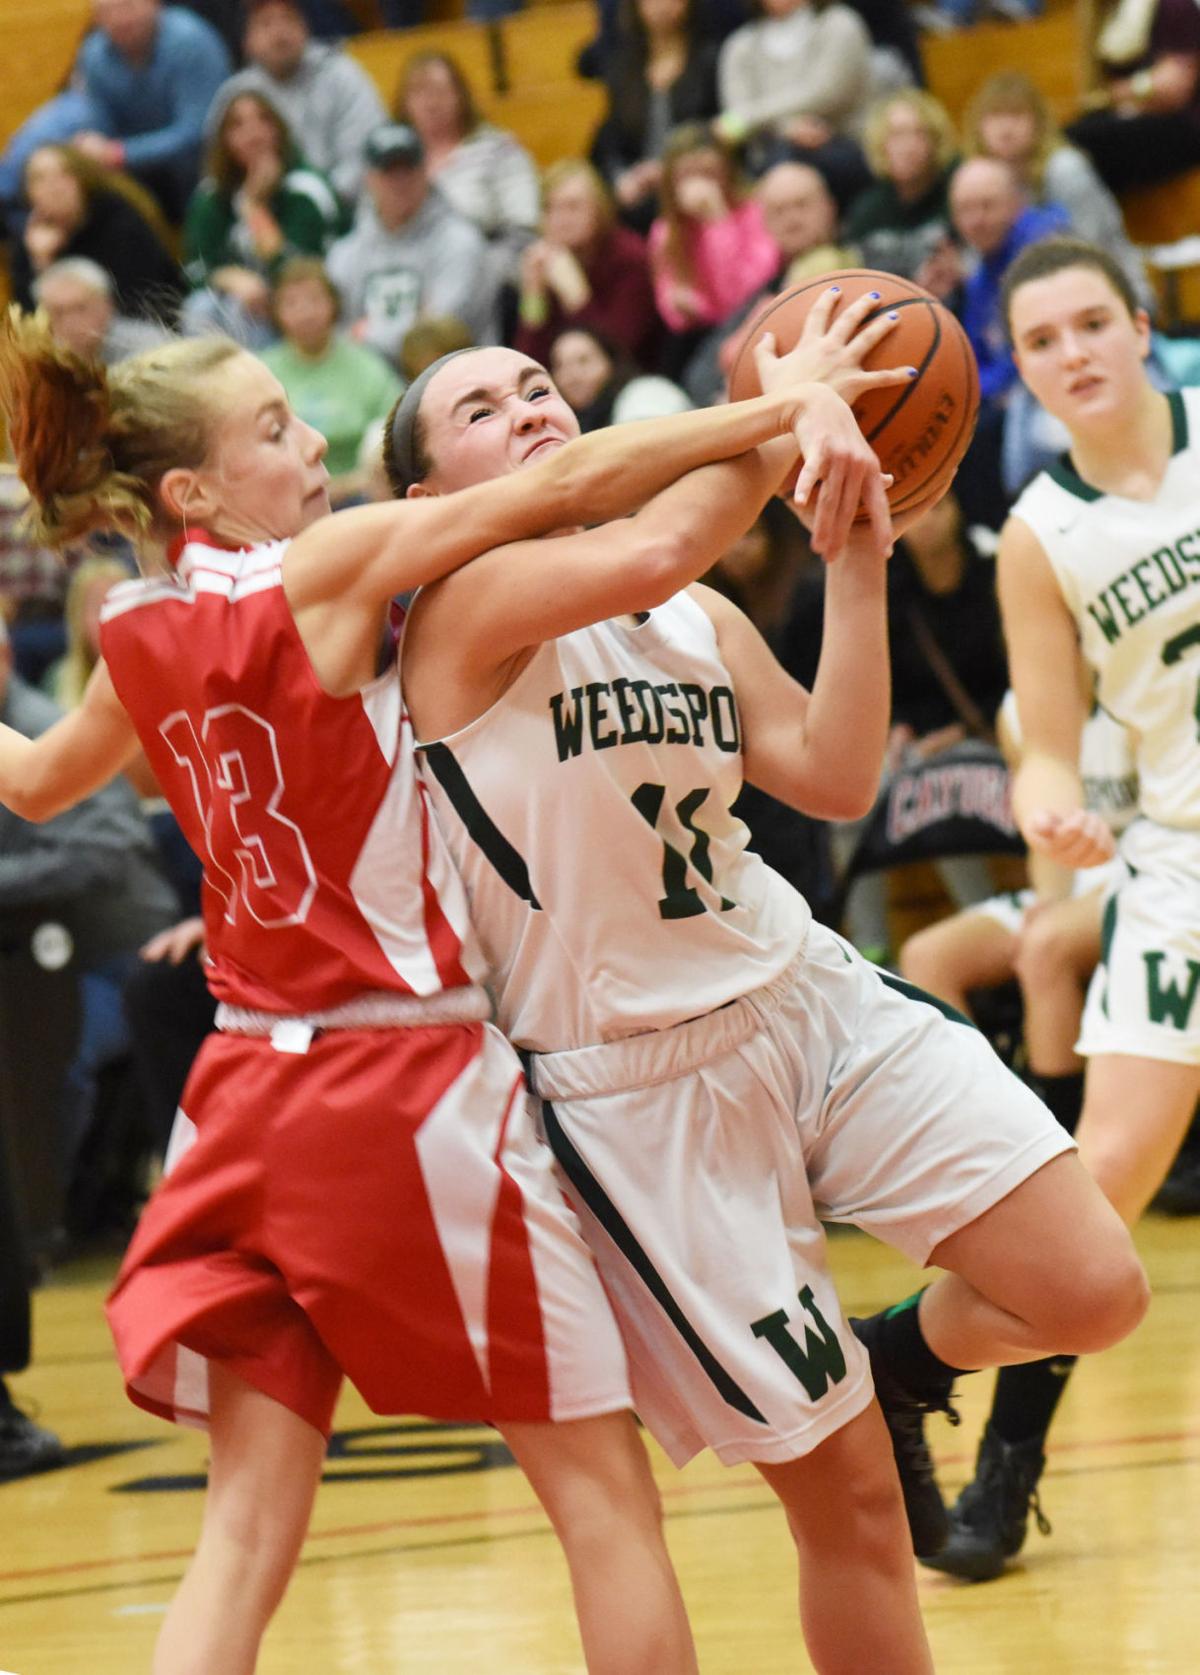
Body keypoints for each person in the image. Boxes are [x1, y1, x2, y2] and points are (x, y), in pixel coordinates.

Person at [0, 305, 879, 1675]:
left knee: (241, 1532)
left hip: (236, 1096)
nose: (313, 446)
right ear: (193, 492)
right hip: (395, 1090)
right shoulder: (323, 565)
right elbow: (575, 494)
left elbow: (35, 779)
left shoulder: (130, 626)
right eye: (277, 430)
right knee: (603, 1501)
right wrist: (784, 407)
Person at [391, 310, 1148, 1662]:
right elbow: (655, 532)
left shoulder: (690, 610)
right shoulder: (457, 613)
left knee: (1093, 1285)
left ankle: (900, 1360)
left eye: (536, 386)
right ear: (424, 496)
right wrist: (793, 406)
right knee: (853, 1504)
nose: (531, 408)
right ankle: (870, 1408)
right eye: (483, 411)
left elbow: (834, 772)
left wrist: (854, 554)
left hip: (805, 995)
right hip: (642, 1094)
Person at [921, 233, 1200, 1582]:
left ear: (1144, 327)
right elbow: (1047, 732)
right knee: (1099, 1193)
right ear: (1019, 370)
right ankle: (993, 1437)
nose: (1075, 352)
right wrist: (1043, 799)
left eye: (1094, 323)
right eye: (1042, 341)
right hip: (1179, 858)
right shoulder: (1040, 532)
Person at [963, 70, 1151, 310]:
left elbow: (1091, 250)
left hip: (1111, 295)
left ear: (1038, 122)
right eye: (996, 117)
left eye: (1017, 115)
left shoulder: (1065, 169)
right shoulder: (975, 180)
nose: (1006, 128)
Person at [181, 92, 344, 349]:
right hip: (240, 302)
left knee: (255, 309)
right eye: (238, 125)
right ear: (223, 140)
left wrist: (253, 207)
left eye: (263, 120)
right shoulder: (210, 198)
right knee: (202, 306)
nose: (253, 133)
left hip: (305, 304)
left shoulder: (306, 191)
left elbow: (301, 270)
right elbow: (195, 273)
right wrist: (230, 277)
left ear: (279, 130)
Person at [325, 122, 499, 363]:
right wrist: (414, 322)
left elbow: (441, 335)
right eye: (389, 172)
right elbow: (331, 336)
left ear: (425, 172)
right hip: (368, 387)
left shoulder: (460, 242)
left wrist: (368, 333)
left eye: (408, 169)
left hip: (449, 376)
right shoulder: (345, 253)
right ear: (369, 179)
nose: (400, 181)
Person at [206, 0, 387, 204]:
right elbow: (216, 172)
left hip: (340, 212)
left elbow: (366, 158)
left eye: (288, 19)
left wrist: (310, 204)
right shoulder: (235, 94)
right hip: (257, 212)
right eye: (265, 23)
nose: (279, 32)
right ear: (246, 40)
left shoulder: (341, 75)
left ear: (305, 27)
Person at [72, 0, 233, 221]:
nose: (120, 19)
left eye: (128, 6)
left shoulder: (191, 41)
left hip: (200, 161)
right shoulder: (93, 55)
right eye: (107, 11)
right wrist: (93, 149)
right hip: (136, 164)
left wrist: (121, 153)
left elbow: (200, 130)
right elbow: (98, 127)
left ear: (155, 4)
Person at [393, 51, 540, 286]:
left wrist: (472, 271)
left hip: (486, 276)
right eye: (420, 94)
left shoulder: (499, 149)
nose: (431, 103)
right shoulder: (392, 162)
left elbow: (523, 232)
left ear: (461, 97)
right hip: (406, 277)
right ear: (404, 104)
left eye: (441, 92)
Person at [261, 258, 404, 495]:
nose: (305, 313)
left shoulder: (367, 364)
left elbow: (393, 431)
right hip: (287, 493)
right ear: (276, 313)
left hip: (361, 491)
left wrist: (354, 484)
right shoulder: (262, 370)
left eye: (314, 300)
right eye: (291, 303)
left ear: (333, 304)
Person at [714, 0, 873, 203]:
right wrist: (785, 128)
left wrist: (752, 117)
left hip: (844, 144)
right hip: (769, 158)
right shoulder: (740, 45)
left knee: (792, 161)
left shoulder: (840, 24)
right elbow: (733, 123)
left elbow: (828, 93)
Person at [588, 0, 722, 235]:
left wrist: (670, 169)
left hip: (694, 173)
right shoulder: (622, 67)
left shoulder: (710, 58)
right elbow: (610, 139)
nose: (662, 5)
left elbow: (719, 126)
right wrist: (622, 178)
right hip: (640, 185)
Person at [513, 160, 660, 372]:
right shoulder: (547, 263)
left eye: (572, 207)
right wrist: (534, 295)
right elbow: (528, 365)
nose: (560, 219)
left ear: (599, 210)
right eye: (550, 209)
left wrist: (576, 296)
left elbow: (616, 357)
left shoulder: (631, 259)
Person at [9, 144, 184, 322]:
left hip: (141, 327)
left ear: (82, 180)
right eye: (40, 178)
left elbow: (141, 298)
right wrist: (42, 264)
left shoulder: (118, 219)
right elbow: (28, 323)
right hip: (71, 338)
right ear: (28, 193)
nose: (54, 186)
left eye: (65, 174)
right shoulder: (31, 241)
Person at [648, 125, 781, 346]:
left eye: (708, 174)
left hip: (756, 320)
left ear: (726, 171)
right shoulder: (666, 231)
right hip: (703, 335)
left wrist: (717, 220)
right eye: (688, 176)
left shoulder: (754, 211)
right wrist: (695, 309)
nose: (700, 186)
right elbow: (674, 309)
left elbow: (749, 291)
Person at [1067, 0, 1200, 193]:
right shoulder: (1111, 13)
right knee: (1071, 142)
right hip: (1137, 114)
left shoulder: (1175, 6)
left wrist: (1126, 91)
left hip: (1184, 124)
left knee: (1080, 141)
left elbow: (1175, 88)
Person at [843, 89, 959, 288]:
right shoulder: (866, 211)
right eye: (897, 135)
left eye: (919, 134)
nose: (908, 146)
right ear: (881, 144)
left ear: (935, 141)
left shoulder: (957, 195)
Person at [32, 258, 173, 366]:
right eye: (58, 312)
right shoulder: (39, 358)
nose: (70, 322)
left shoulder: (149, 347)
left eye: (80, 308)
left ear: (107, 305)